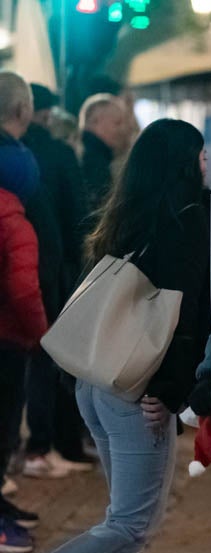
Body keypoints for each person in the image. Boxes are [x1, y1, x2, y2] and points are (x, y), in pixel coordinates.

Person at [0, 119, 211, 553]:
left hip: (96, 384)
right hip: (137, 389)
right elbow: (184, 319)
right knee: (135, 522)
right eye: (201, 156)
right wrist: (169, 392)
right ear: (186, 163)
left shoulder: (129, 219)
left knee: (123, 511)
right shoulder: (187, 224)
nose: (208, 165)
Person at [22, 83, 92, 481]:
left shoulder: (22, 152)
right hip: (51, 270)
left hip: (21, 266)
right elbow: (76, 217)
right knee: (47, 361)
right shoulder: (54, 153)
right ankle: (40, 446)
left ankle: (29, 449)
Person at [0, 72, 46, 551]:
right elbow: (21, 285)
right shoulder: (13, 218)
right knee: (3, 428)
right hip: (9, 336)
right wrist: (39, 333)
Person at [78, 93, 130, 216]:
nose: (124, 129)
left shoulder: (94, 156)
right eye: (117, 123)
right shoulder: (93, 162)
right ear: (94, 122)